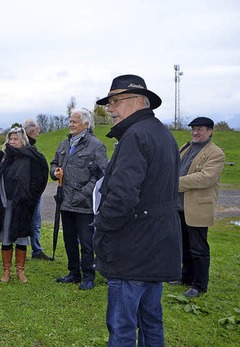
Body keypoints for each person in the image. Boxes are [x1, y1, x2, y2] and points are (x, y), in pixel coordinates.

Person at [93, 74, 182, 345]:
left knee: (122, 326)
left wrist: (101, 225)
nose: (110, 109)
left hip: (133, 248)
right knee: (151, 320)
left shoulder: (135, 135)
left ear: (139, 101)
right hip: (156, 245)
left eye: (116, 101)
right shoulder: (162, 134)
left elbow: (122, 197)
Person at [50, 109, 108, 290]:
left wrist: (83, 193)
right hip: (65, 202)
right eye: (70, 121)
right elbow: (54, 163)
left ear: (86, 124)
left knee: (87, 242)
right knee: (69, 239)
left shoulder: (96, 145)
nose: (71, 124)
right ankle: (73, 272)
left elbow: (102, 174)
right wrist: (54, 172)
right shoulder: (64, 143)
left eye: (75, 121)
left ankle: (88, 276)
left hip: (84, 204)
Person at [0, 126, 48, 283]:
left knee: (21, 238)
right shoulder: (2, 155)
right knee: (6, 236)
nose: (12, 142)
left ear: (23, 141)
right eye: (11, 139)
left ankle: (20, 271)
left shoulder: (31, 157)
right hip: (4, 204)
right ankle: (6, 271)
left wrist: (29, 199)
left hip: (22, 205)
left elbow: (39, 179)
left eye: (16, 139)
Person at [174, 116, 225, 298]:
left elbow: (206, 178)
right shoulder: (186, 147)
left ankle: (199, 285)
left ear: (210, 131)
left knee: (198, 248)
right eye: (193, 129)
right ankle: (185, 277)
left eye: (200, 129)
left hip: (197, 207)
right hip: (179, 206)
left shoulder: (215, 153)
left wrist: (174, 183)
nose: (195, 132)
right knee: (184, 245)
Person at [23, 118, 53, 261]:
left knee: (35, 220)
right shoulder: (26, 148)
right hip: (29, 193)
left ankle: (35, 249)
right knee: (33, 221)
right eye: (37, 130)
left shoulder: (30, 147)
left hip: (34, 191)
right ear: (31, 131)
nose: (39, 132)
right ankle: (32, 250)